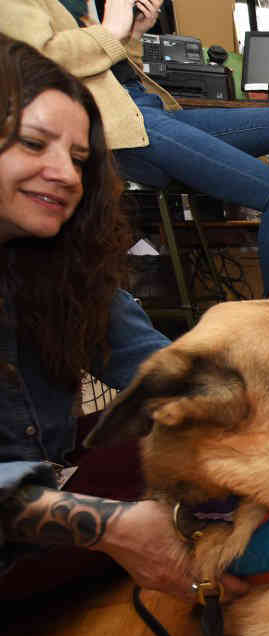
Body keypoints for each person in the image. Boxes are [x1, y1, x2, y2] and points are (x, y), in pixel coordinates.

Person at [0, 34, 247, 604]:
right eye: (34, 144)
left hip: (51, 485)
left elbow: (163, 373)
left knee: (186, 446)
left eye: (80, 160)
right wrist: (109, 527)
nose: (63, 174)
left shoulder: (63, 266)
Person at [1, 0, 269, 296]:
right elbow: (35, 65)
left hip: (145, 109)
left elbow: (106, 71)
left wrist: (130, 33)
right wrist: (109, 30)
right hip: (128, 129)